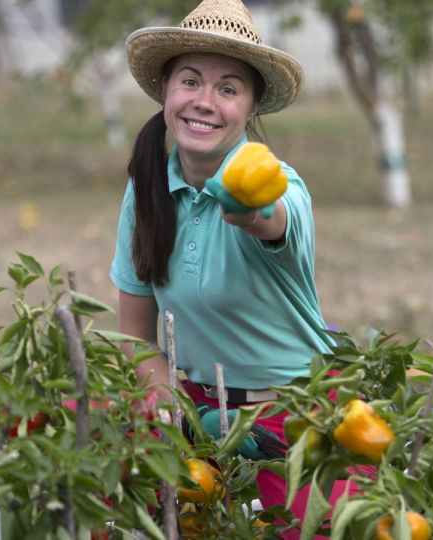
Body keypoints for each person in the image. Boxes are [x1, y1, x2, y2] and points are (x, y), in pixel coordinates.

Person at [110, 0, 349, 536]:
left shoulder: (280, 184)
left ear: (251, 105)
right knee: (118, 506)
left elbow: (269, 216)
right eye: (190, 81)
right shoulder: (146, 189)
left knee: (314, 529)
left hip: (296, 412)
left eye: (228, 88)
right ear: (166, 91)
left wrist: (247, 205)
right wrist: (174, 414)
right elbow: (136, 338)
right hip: (198, 412)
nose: (204, 102)